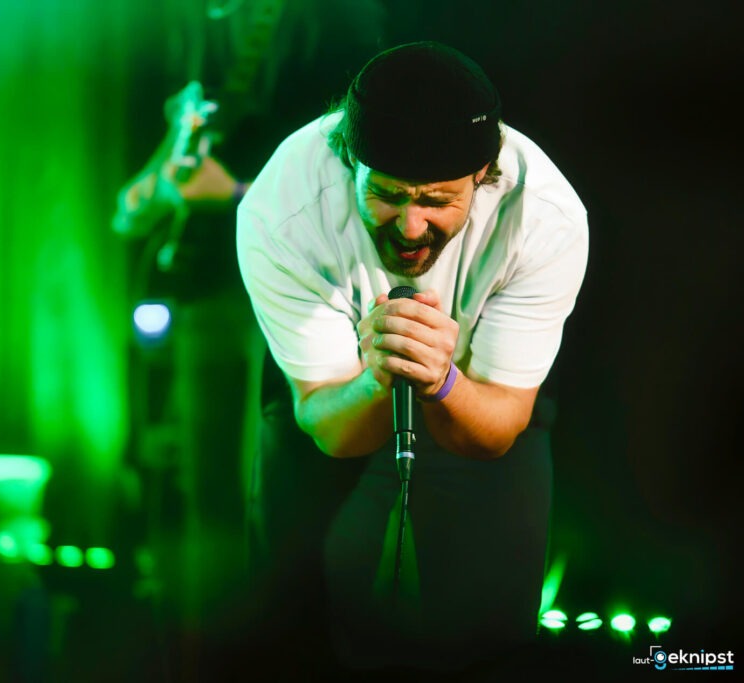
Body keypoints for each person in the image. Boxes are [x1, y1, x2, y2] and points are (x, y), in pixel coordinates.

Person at [237, 41, 588, 676]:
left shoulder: (547, 218)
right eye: (390, 194)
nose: (410, 226)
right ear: (351, 163)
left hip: (479, 392)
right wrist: (379, 378)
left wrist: (443, 380)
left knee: (488, 636)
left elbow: (498, 426)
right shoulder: (281, 210)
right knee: (290, 624)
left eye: (435, 201)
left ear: (484, 179)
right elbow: (328, 424)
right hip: (337, 393)